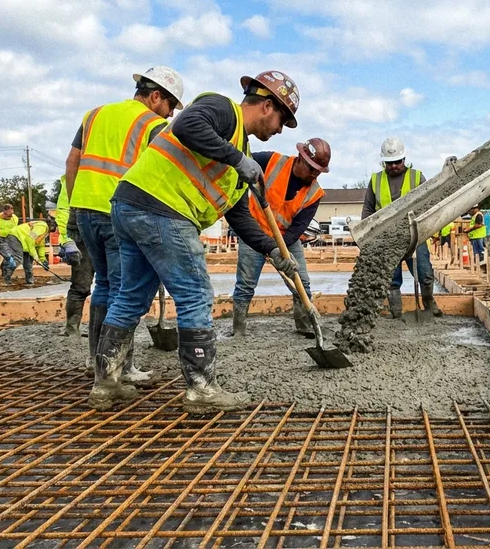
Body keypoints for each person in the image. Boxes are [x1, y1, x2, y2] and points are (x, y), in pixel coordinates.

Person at [92, 70, 302, 414]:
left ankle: (107, 383)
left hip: (131, 205)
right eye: (282, 120)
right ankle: (201, 389)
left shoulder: (238, 157)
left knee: (131, 295)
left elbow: (240, 218)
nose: (280, 130)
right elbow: (188, 126)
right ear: (266, 106)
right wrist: (237, 159)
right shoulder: (223, 110)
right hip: (162, 208)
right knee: (196, 295)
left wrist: (272, 251)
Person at [64, 66, 183, 381]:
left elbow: (71, 162)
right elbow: (162, 174)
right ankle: (119, 368)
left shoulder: (94, 115)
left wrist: (76, 207)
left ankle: (97, 360)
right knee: (124, 292)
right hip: (120, 213)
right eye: (171, 105)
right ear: (155, 96)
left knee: (102, 285)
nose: (171, 114)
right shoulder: (152, 124)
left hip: (86, 208)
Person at [229, 138, 329, 338]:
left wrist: (278, 251)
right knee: (245, 284)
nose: (314, 175)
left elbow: (297, 229)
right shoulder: (271, 161)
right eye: (311, 169)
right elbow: (241, 164)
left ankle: (305, 326)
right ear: (300, 158)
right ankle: (238, 330)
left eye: (318, 171)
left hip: (286, 238)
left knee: (302, 281)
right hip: (254, 233)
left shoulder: (315, 193)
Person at [361, 136, 441, 320]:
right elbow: (368, 209)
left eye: (397, 162)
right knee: (391, 276)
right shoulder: (375, 180)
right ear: (384, 162)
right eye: (389, 163)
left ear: (404, 159)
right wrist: (367, 235)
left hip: (415, 235)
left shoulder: (417, 177)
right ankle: (396, 311)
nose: (393, 166)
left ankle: (429, 304)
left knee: (424, 272)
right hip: (388, 237)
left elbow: (430, 203)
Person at [54, 175, 93, 339]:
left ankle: (102, 330)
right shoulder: (73, 177)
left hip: (109, 234)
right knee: (81, 285)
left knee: (112, 286)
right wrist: (68, 240)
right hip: (81, 236)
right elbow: (64, 211)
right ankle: (72, 328)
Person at [5, 218, 57, 284]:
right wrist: (36, 257)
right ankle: (6, 277)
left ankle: (30, 280)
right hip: (16, 237)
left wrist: (43, 261)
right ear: (51, 227)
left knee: (29, 261)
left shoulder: (44, 232)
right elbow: (30, 239)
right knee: (18, 258)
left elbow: (40, 246)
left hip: (24, 242)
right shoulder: (42, 226)